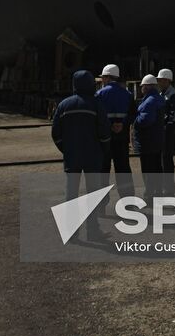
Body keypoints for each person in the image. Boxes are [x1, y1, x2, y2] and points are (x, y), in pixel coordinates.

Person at [51, 70, 111, 241]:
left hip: (72, 157)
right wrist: (103, 150)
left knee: (71, 194)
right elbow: (104, 132)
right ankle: (92, 231)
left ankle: (71, 232)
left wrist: (66, 149)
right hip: (93, 157)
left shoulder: (64, 105)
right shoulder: (96, 104)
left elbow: (56, 133)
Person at [95, 64, 135, 198]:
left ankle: (101, 202)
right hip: (122, 139)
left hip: (104, 139)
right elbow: (133, 114)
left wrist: (110, 126)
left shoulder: (99, 94)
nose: (102, 80)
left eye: (103, 78)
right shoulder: (128, 95)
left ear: (107, 77)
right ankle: (127, 199)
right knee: (123, 169)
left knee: (103, 171)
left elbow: (97, 117)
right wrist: (122, 124)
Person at [132, 74, 165, 206]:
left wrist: (135, 120)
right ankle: (158, 193)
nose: (141, 88)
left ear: (146, 87)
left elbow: (145, 120)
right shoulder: (158, 98)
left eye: (142, 86)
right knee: (157, 168)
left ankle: (149, 197)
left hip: (147, 141)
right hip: (156, 140)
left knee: (148, 170)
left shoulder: (149, 101)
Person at [157, 68, 175, 194]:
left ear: (167, 80)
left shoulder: (173, 95)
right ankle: (165, 185)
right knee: (162, 158)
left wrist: (167, 125)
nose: (159, 83)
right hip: (162, 130)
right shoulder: (162, 94)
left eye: (161, 80)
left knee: (167, 159)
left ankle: (169, 188)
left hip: (168, 130)